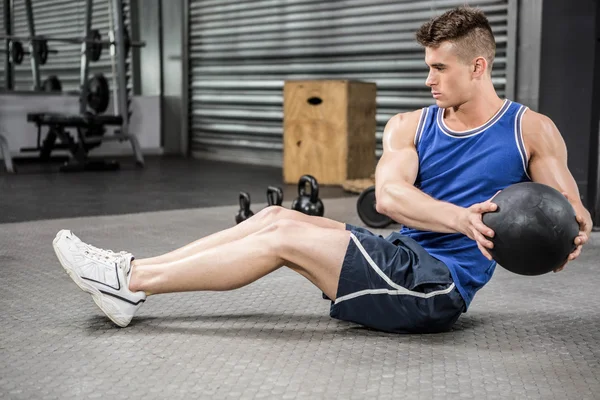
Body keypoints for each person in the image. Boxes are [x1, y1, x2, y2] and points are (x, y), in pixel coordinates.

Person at [52, 6, 592, 333]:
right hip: (405, 258)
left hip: (436, 288)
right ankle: (131, 275)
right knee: (270, 219)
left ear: (477, 66)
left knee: (282, 236)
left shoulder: (530, 130)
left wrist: (573, 230)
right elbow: (389, 197)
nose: (428, 78)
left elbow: (567, 210)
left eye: (439, 68)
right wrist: (463, 219)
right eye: (425, 66)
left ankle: (130, 283)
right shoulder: (411, 126)